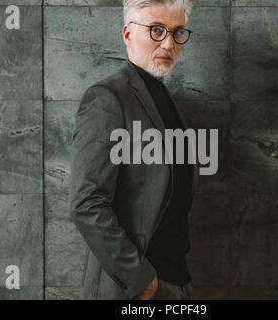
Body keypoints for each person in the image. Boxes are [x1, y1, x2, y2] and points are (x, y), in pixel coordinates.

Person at [69, 0, 197, 300]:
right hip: (133, 288)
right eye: (156, 30)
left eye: (178, 33)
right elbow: (87, 203)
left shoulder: (166, 100)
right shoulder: (107, 98)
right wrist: (141, 280)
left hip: (175, 281)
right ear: (128, 34)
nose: (168, 43)